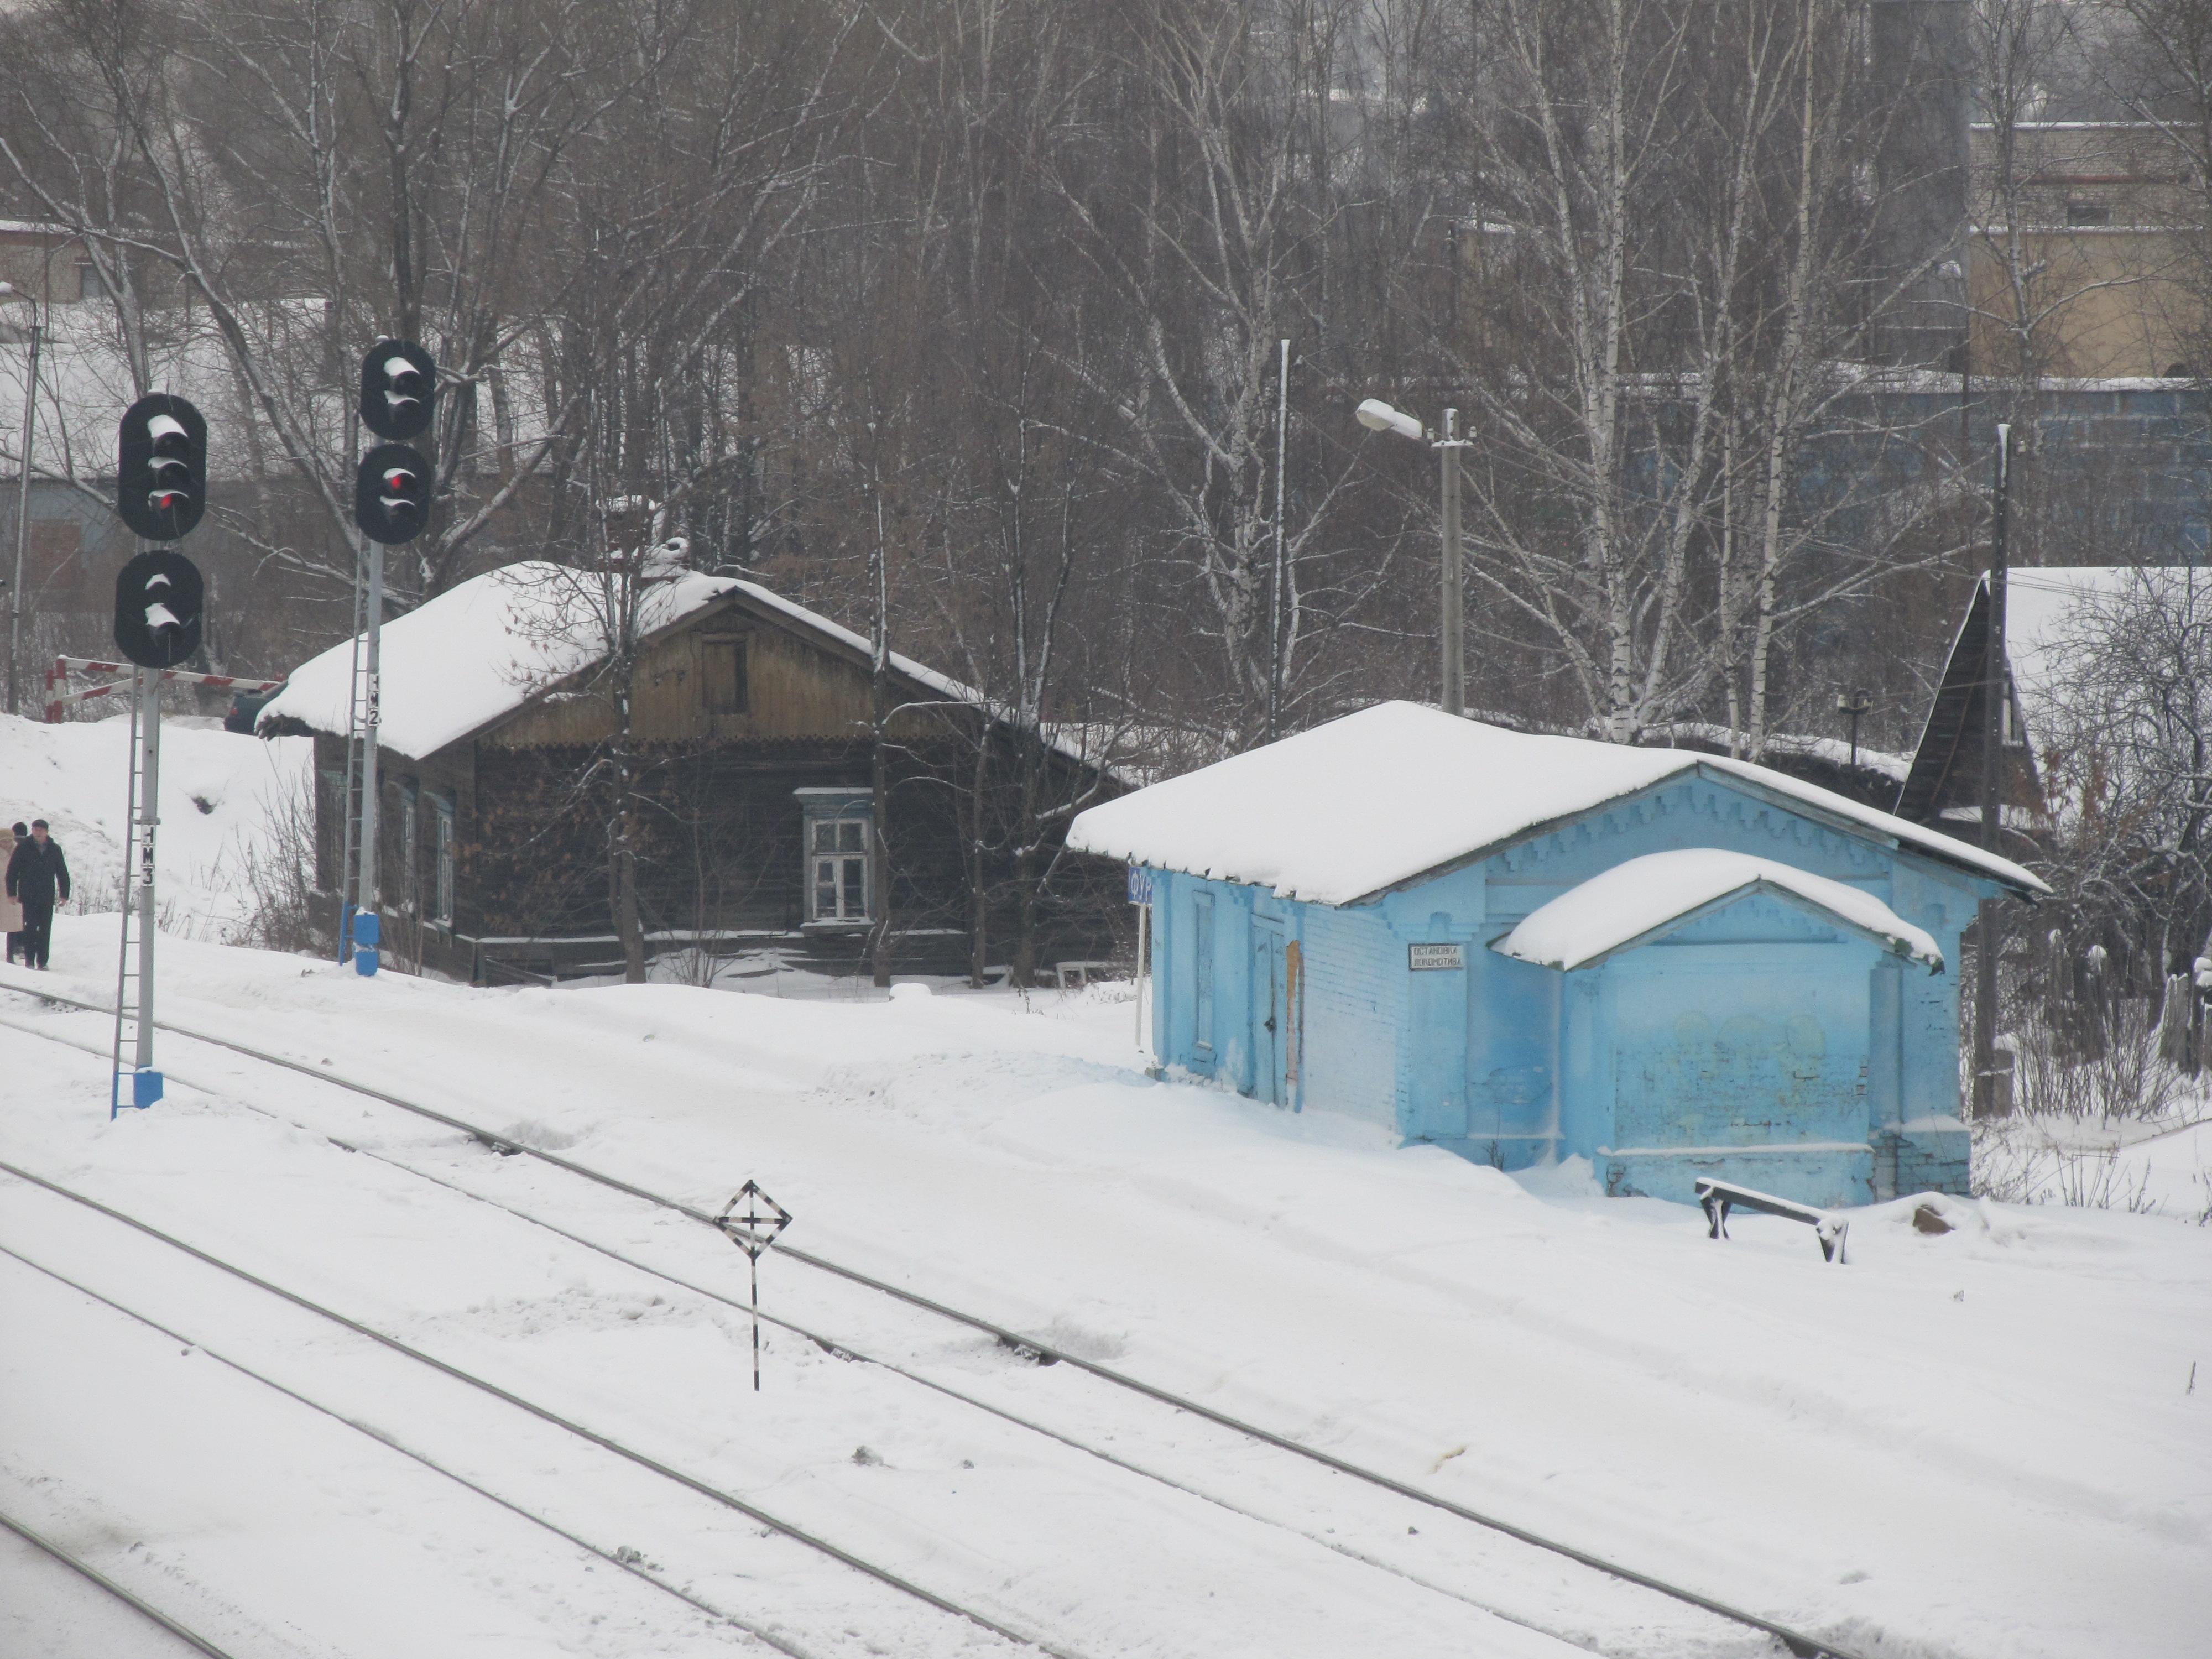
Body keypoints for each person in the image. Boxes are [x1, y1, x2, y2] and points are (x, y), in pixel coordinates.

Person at [5, 818, 70, 971]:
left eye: (41, 830)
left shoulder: (54, 849)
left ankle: (43, 961)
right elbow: (12, 872)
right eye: (35, 829)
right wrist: (12, 893)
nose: (38, 832)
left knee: (45, 929)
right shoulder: (23, 848)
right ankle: (29, 960)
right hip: (28, 895)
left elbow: (62, 872)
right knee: (30, 928)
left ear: (47, 832)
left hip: (46, 896)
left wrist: (64, 894)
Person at [1, 822, 22, 965]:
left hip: (13, 893)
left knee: (13, 925)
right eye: (3, 841)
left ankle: (10, 955)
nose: (7, 843)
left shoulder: (19, 853)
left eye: (9, 840)